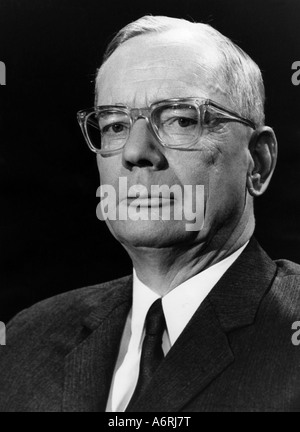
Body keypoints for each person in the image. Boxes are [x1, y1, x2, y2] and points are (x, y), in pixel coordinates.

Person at [1, 15, 300, 413]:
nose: (135, 151)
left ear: (257, 162)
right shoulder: (26, 340)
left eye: (180, 119)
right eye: (114, 125)